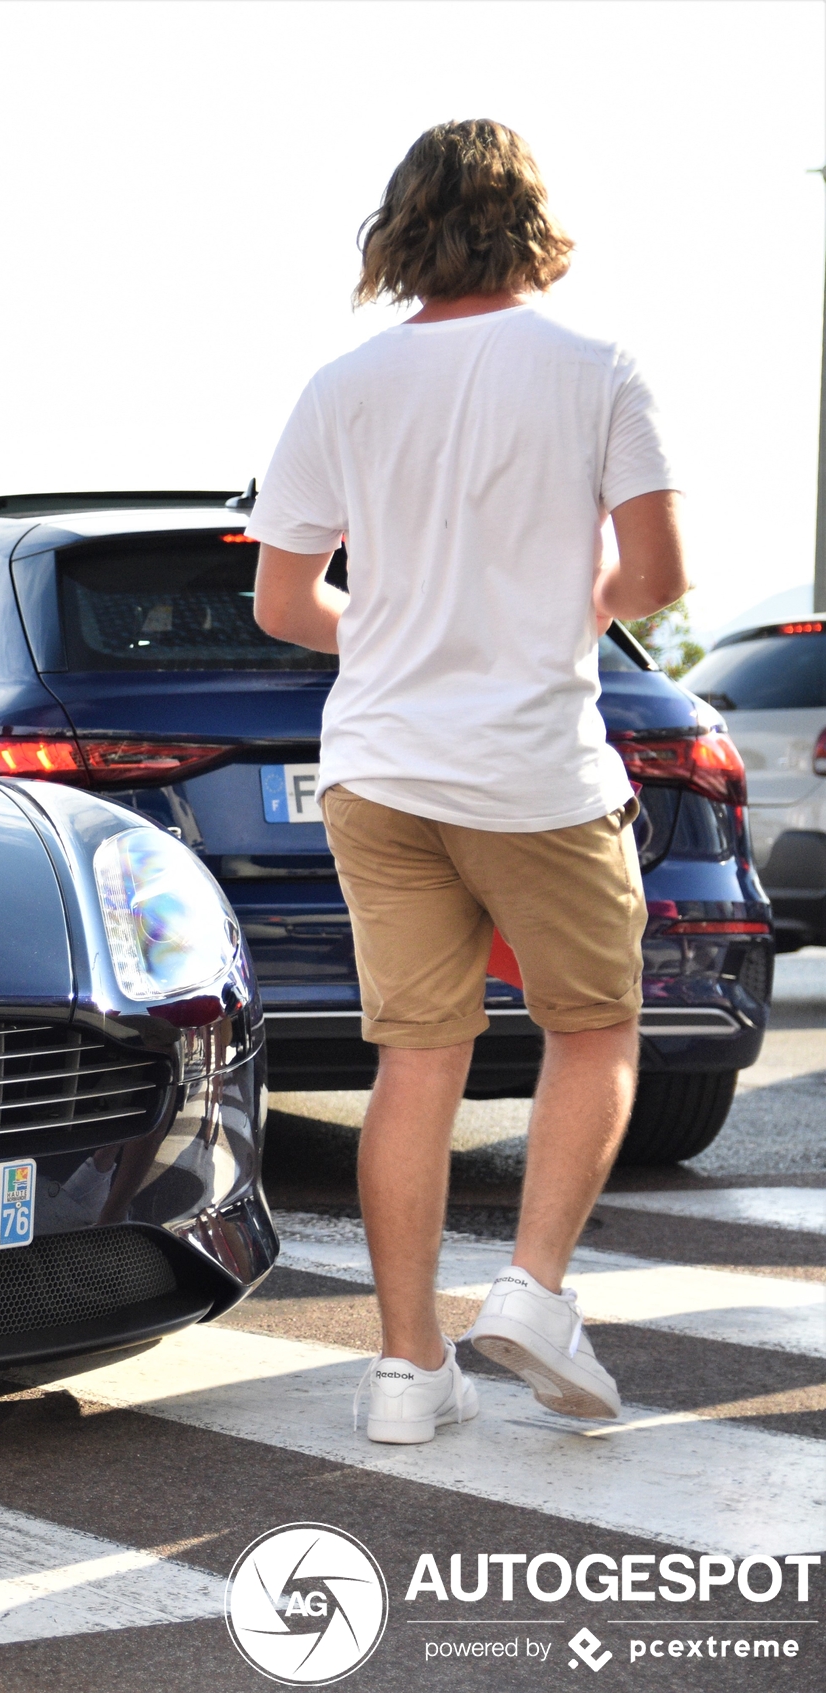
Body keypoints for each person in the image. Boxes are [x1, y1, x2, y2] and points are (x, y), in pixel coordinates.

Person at [248, 119, 688, 1445]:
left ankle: (403, 1369)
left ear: (402, 230)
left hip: (377, 767)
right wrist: (551, 613)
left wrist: (391, 627)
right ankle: (534, 1289)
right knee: (595, 1027)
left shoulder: (343, 383)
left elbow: (281, 601)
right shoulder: (597, 368)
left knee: (415, 1060)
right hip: (531, 769)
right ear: (531, 224)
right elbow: (659, 581)